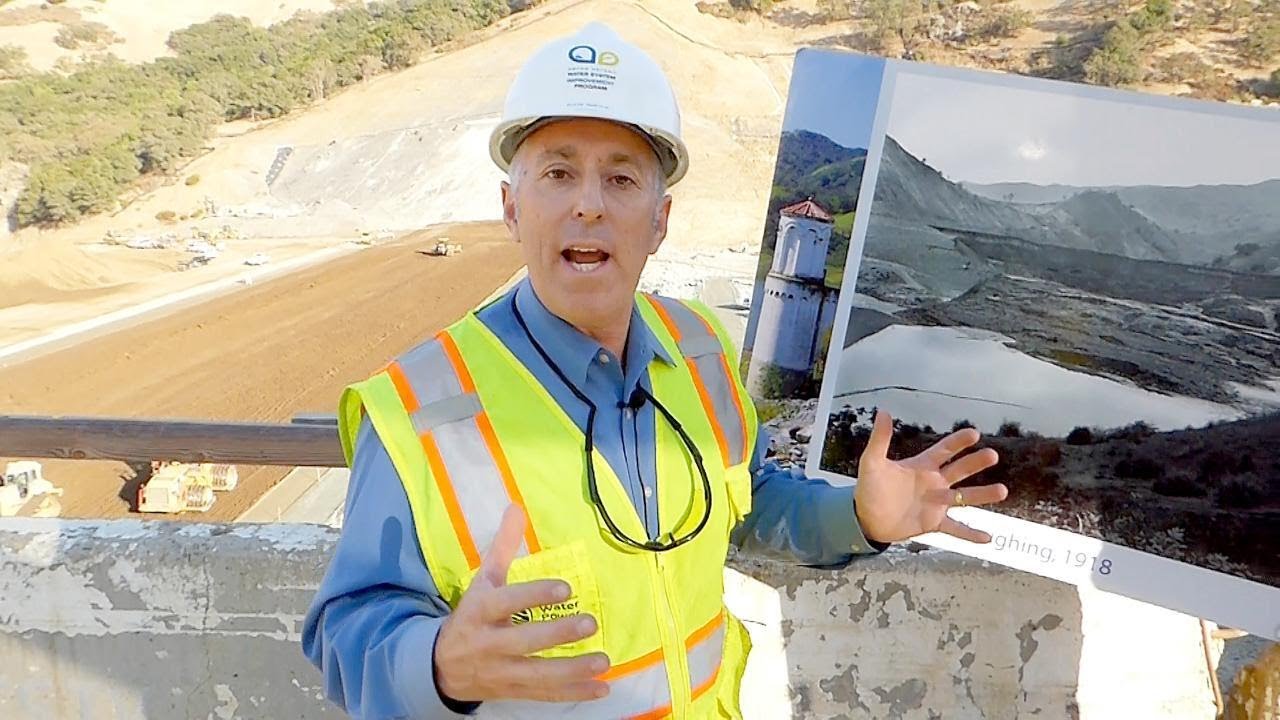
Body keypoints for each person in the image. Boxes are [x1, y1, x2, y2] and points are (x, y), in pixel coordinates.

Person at [302, 21, 1006, 720]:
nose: (588, 203)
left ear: (660, 220)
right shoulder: (422, 406)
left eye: (620, 178)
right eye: (557, 173)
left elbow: (750, 499)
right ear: (512, 208)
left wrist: (857, 516)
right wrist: (436, 664)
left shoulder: (698, 346)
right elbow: (344, 632)